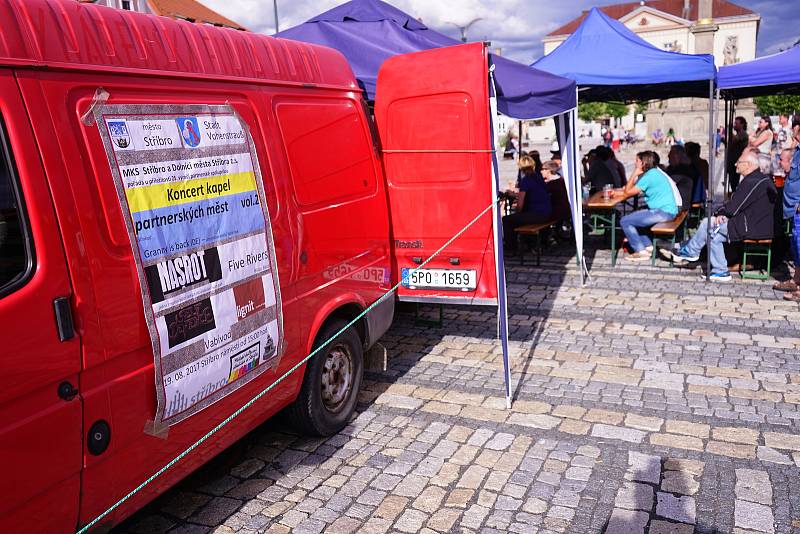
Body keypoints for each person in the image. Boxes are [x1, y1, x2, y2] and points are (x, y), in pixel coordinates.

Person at [669, 149, 777, 282]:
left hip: (751, 226)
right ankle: (718, 269)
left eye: (739, 162)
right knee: (712, 230)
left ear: (748, 164)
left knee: (710, 227)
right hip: (752, 223)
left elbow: (734, 207)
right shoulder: (755, 179)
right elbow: (736, 206)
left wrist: (721, 213)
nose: (736, 164)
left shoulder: (752, 181)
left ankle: (693, 251)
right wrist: (721, 214)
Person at [613, 151, 680, 261]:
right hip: (668, 210)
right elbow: (628, 190)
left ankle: (640, 251)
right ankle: (648, 246)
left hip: (663, 212)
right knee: (636, 217)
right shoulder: (653, 173)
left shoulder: (649, 176)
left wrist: (635, 173)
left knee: (625, 221)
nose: (635, 164)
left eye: (637, 161)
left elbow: (627, 192)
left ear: (643, 163)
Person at [503, 155, 552, 254]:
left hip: (538, 215)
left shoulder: (526, 180)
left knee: (507, 220)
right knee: (518, 218)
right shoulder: (538, 177)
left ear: (521, 168)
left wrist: (517, 213)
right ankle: (526, 242)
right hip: (547, 212)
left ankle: (511, 248)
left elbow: (520, 205)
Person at [775, 118, 800, 300]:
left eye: (796, 129)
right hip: (793, 207)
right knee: (796, 246)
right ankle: (796, 279)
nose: (793, 133)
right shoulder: (797, 151)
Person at [666, 145, 694, 211]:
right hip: (672, 204)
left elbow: (668, 183)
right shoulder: (673, 168)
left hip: (679, 206)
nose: (668, 156)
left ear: (678, 156)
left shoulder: (683, 170)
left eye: (671, 154)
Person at [727, 116, 749, 192]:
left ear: (742, 124)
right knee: (732, 181)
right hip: (732, 160)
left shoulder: (743, 134)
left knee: (734, 181)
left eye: (736, 124)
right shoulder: (738, 134)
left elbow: (735, 140)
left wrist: (729, 130)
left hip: (736, 160)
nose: (734, 125)